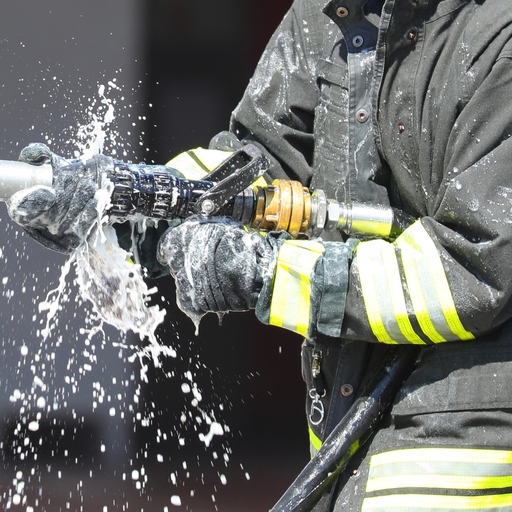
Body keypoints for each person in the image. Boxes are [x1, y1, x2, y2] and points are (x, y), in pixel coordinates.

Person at [7, 0, 512, 510]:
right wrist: (121, 204)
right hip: (349, 442)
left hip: (462, 457)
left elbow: (473, 267)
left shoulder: (498, 36)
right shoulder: (326, 16)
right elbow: (250, 172)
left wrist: (266, 273)